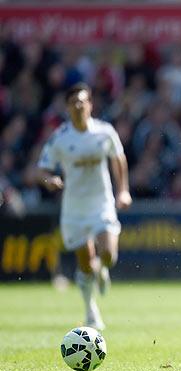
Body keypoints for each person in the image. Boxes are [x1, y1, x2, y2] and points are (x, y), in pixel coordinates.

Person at [37, 83, 132, 330]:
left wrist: (123, 191)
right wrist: (51, 180)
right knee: (85, 264)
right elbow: (43, 168)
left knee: (109, 256)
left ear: (90, 104)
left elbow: (118, 158)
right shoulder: (60, 137)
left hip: (101, 203)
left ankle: (103, 270)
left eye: (82, 101)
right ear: (67, 107)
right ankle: (91, 311)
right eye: (73, 102)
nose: (79, 106)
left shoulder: (104, 132)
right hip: (74, 209)